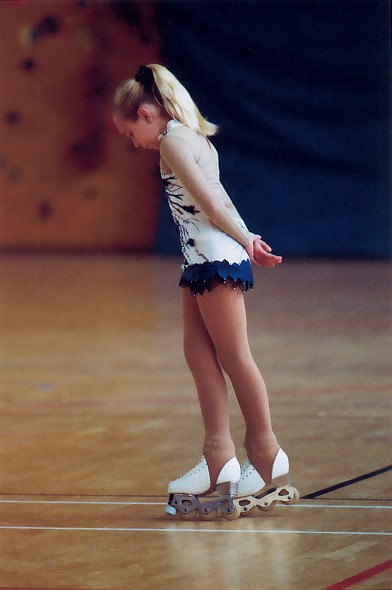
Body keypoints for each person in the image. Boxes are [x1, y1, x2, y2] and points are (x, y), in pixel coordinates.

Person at [113, 64, 298, 519]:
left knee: (234, 357)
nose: (130, 141)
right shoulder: (190, 137)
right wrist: (245, 236)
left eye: (128, 130)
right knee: (199, 354)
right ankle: (219, 456)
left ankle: (265, 452)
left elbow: (211, 202)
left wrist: (246, 239)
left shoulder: (174, 141)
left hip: (215, 257)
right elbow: (215, 196)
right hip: (202, 257)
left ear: (146, 113)